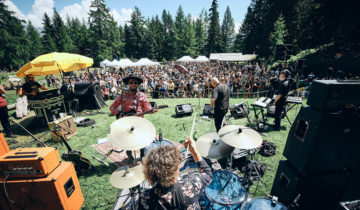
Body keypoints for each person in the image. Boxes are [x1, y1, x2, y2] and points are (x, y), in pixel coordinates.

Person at [138, 138, 213, 209]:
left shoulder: (144, 198)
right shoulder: (190, 187)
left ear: (149, 172)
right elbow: (207, 174)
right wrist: (194, 151)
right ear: (176, 170)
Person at [110, 73, 157, 161]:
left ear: (138, 84)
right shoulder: (123, 96)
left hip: (139, 121)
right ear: (128, 83)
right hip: (127, 121)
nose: (133, 84)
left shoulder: (142, 95)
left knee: (141, 139)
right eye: (131, 82)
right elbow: (112, 107)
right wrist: (118, 114)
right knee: (128, 139)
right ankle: (129, 154)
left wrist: (152, 110)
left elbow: (148, 109)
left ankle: (143, 155)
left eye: (135, 83)